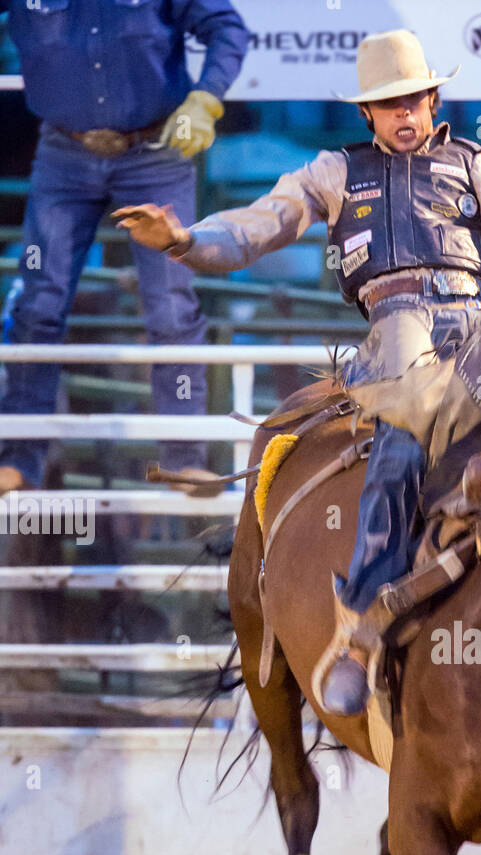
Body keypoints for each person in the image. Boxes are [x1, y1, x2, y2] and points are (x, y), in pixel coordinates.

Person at [114, 29, 481, 718]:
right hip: (402, 328)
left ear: (433, 96)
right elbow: (260, 225)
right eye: (389, 104)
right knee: (400, 442)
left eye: (413, 98)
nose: (404, 113)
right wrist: (185, 241)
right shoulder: (335, 172)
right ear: (367, 113)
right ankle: (361, 628)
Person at [0, 0, 249, 498]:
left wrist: (206, 98)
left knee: (171, 306)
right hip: (63, 150)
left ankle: (184, 457)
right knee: (38, 304)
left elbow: (227, 28)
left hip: (156, 150)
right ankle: (19, 458)